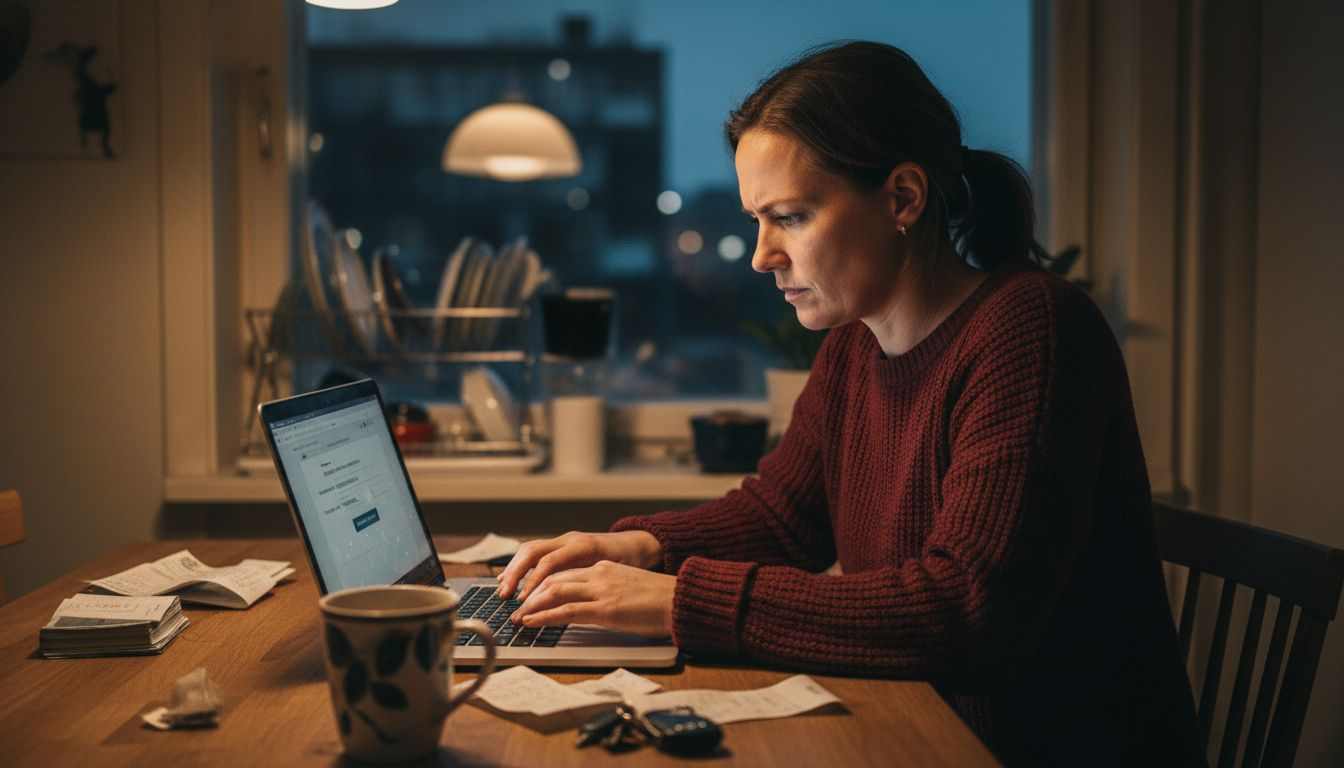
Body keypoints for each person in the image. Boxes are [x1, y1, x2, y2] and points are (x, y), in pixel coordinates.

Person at [498, 41, 1205, 766]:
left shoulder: (1033, 330)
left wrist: (678, 601)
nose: (762, 255)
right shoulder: (856, 342)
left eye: (792, 217)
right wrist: (643, 548)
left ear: (902, 197)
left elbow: (967, 614)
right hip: (918, 731)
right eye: (756, 220)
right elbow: (785, 517)